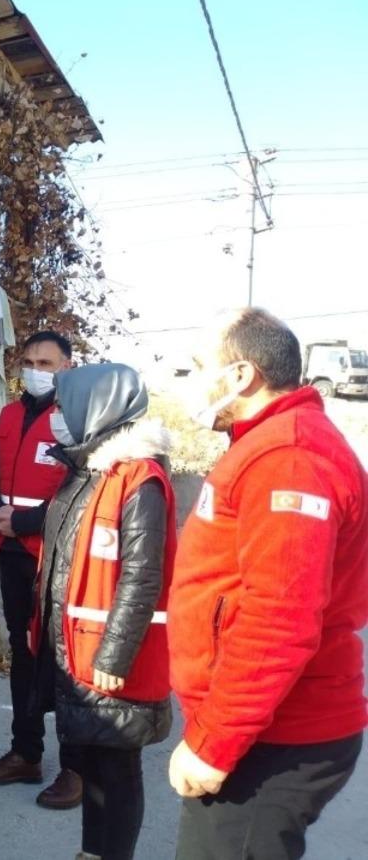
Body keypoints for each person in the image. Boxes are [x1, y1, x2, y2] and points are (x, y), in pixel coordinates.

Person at [167, 309, 367, 859]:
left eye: (197, 367)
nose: (188, 381)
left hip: (275, 740)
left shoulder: (290, 456)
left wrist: (213, 744)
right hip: (265, 731)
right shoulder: (267, 444)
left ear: (240, 375)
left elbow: (280, 619)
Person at [34, 363, 176, 860]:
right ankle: (92, 853)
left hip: (108, 656)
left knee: (117, 770)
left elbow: (143, 577)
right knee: (92, 763)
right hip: (75, 647)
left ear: (99, 407)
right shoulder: (86, 472)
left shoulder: (140, 480)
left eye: (63, 405)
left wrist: (114, 658)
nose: (56, 416)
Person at [0, 331, 81, 809]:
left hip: (58, 554)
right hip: (14, 553)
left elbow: (80, 493)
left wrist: (24, 522)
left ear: (68, 367)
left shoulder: (77, 421)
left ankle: (78, 769)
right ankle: (26, 753)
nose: (37, 369)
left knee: (65, 659)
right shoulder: (11, 415)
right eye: (31, 360)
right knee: (24, 650)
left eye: (48, 362)